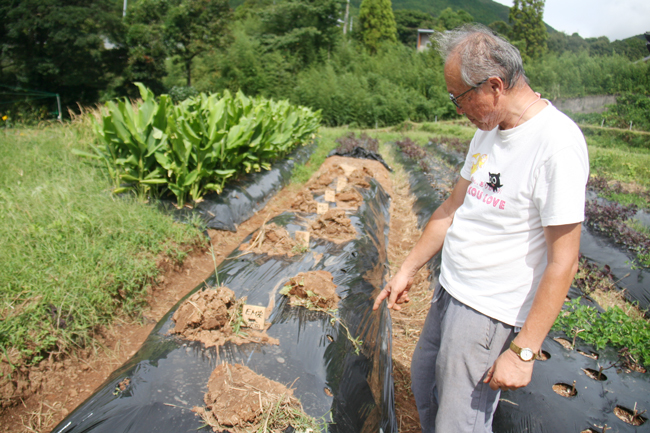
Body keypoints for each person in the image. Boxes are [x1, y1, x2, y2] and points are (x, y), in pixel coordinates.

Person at [373, 24, 589, 433]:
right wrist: (408, 268)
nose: (457, 108)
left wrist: (524, 350)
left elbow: (565, 260)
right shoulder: (487, 133)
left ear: (493, 86)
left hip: (488, 310)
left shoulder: (556, 144)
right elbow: (453, 206)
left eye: (459, 97)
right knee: (424, 384)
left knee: (460, 422)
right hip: (450, 289)